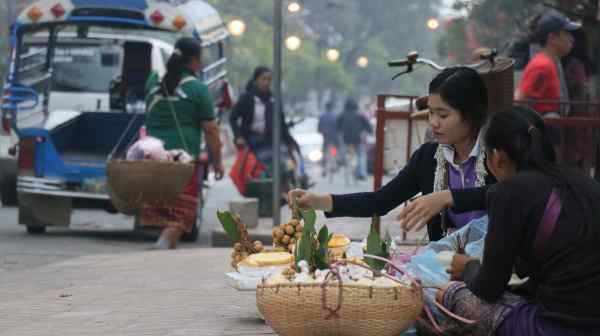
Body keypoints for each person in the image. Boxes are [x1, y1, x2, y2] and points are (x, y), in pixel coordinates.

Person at [435, 106, 600, 335]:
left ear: (497, 157)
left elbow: (489, 288)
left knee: (449, 293)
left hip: (552, 328)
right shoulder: (583, 185)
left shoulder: (509, 192)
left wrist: (468, 267)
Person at [290, 67, 493, 241]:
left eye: (443, 115)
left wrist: (448, 197)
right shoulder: (428, 157)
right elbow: (381, 201)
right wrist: (317, 201)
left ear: (471, 114)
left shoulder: (497, 153)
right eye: (431, 112)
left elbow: (511, 193)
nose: (433, 122)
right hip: (446, 266)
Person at [141, 37, 224, 249]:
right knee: (180, 212)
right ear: (195, 60)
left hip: (152, 156)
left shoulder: (153, 81)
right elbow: (211, 130)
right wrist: (217, 162)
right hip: (182, 159)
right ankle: (165, 243)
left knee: (160, 206)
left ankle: (164, 244)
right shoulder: (198, 89)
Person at [229, 66, 301, 194]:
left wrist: (291, 143)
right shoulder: (247, 98)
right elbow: (233, 118)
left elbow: (282, 125)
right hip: (253, 142)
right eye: (263, 79)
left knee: (288, 165)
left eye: (269, 79)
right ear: (256, 80)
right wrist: (238, 136)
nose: (266, 82)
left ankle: (292, 190)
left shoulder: (274, 99)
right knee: (268, 170)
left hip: (272, 141)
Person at [515, 9, 580, 117]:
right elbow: (522, 102)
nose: (572, 39)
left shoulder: (550, 62)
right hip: (543, 129)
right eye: (566, 33)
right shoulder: (543, 66)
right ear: (552, 38)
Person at [336, 98, 372, 180]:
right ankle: (361, 173)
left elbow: (337, 127)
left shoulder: (342, 115)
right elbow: (368, 126)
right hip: (357, 139)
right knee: (361, 155)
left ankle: (342, 160)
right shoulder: (359, 115)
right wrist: (370, 132)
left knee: (343, 150)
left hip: (346, 139)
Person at [318, 101, 338, 176]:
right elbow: (338, 126)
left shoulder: (322, 116)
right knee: (333, 150)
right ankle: (334, 164)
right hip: (333, 136)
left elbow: (319, 127)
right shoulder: (335, 115)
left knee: (324, 152)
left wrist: (322, 131)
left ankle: (324, 168)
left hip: (325, 136)